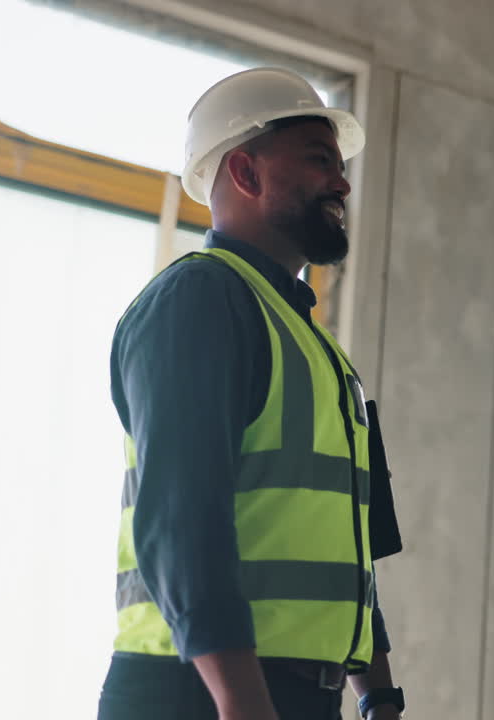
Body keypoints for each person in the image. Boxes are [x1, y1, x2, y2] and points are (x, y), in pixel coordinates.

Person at [97, 67, 406, 720]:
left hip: (291, 698)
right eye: (321, 161)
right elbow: (182, 526)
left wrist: (379, 697)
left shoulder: (319, 350)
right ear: (245, 172)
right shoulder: (199, 301)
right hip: (201, 693)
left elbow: (352, 551)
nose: (343, 181)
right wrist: (242, 703)